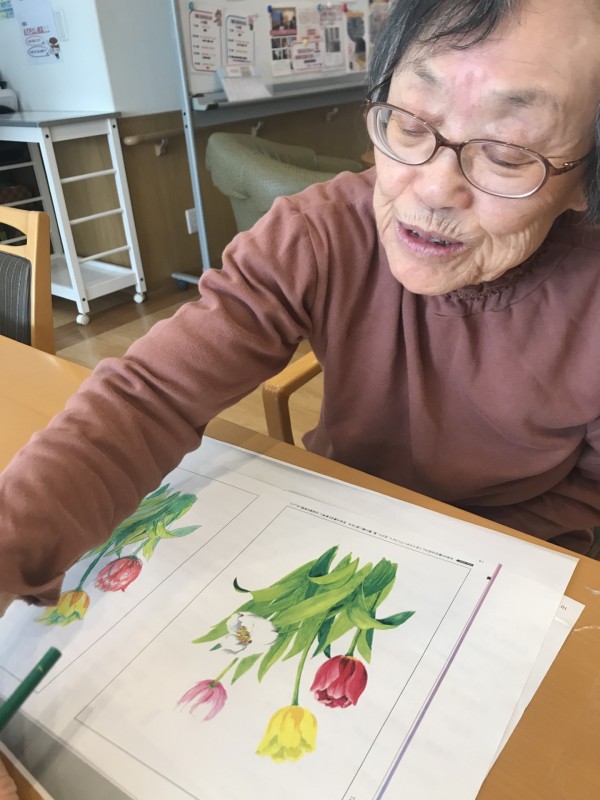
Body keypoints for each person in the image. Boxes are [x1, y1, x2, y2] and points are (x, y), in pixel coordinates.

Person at [1, 0, 600, 615]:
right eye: (410, 124)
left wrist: (466, 561)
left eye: (507, 153)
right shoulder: (318, 234)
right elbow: (149, 397)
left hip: (517, 562)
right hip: (338, 513)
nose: (432, 188)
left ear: (585, 177)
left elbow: (588, 492)